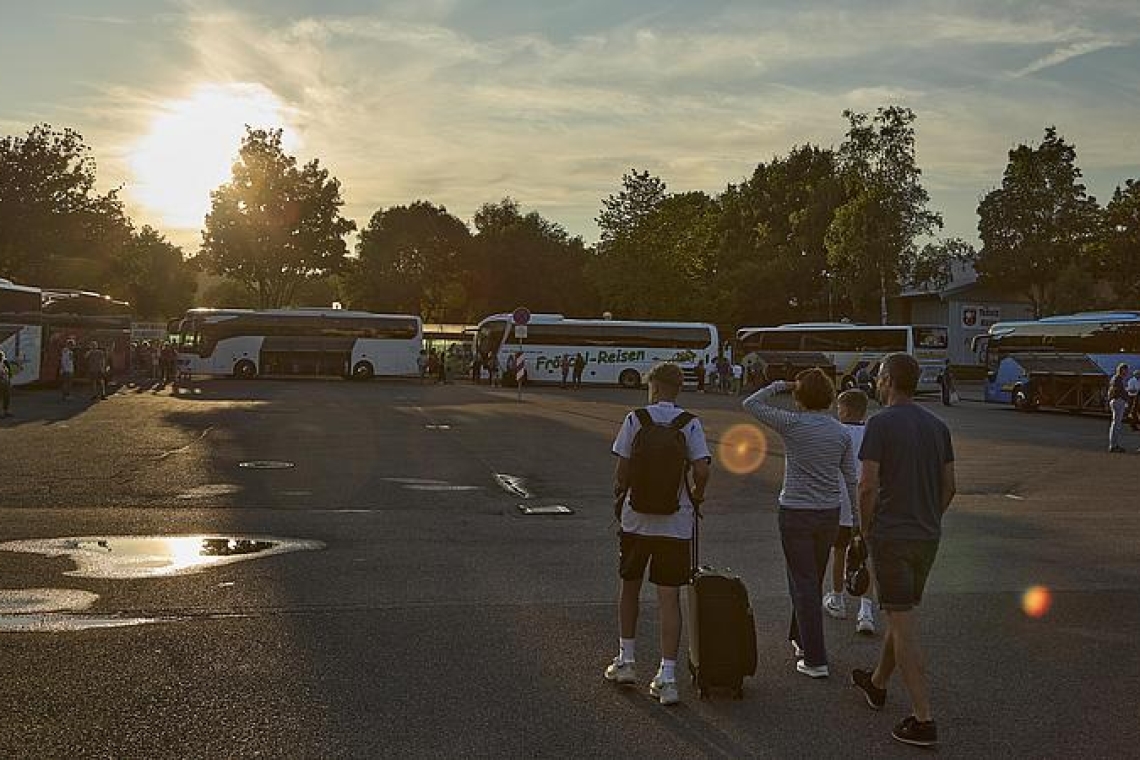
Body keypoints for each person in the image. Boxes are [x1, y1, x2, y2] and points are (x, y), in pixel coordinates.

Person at [851, 353, 955, 749]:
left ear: (891, 380)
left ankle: (923, 718)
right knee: (902, 613)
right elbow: (950, 486)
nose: (876, 383)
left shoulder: (879, 424)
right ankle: (877, 684)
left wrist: (865, 530)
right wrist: (930, 516)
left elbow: (867, 486)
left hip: (891, 535)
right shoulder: (938, 426)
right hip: (927, 535)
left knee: (904, 624)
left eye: (879, 376)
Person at [604, 362, 711, 706]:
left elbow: (622, 469)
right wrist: (696, 494)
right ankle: (667, 677)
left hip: (637, 520)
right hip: (675, 524)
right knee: (669, 598)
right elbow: (702, 469)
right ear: (679, 388)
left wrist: (622, 492)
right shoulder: (690, 423)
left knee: (630, 589)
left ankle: (627, 660)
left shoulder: (636, 419)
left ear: (652, 385)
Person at [743, 368, 857, 679]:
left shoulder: (793, 423)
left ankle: (816, 658)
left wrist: (781, 382)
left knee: (803, 580)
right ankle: (801, 639)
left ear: (799, 396)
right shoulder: (840, 432)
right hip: (829, 511)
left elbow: (751, 403)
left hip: (795, 510)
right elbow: (850, 479)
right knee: (810, 578)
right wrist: (857, 518)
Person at [823, 389, 876, 634]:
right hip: (868, 504)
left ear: (844, 409)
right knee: (866, 555)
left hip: (840, 503)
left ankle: (837, 598)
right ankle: (866, 611)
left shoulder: (836, 432)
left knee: (840, 551)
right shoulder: (873, 433)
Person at [1107, 363, 1129, 453]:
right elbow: (1120, 391)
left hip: (1115, 401)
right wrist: (1126, 399)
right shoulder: (1118, 379)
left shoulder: (1114, 378)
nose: (1127, 371)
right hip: (1118, 401)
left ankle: (1114, 445)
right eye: (1126, 370)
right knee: (1116, 424)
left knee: (1115, 424)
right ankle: (1114, 445)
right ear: (1122, 370)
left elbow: (1111, 390)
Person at [0, 350, 13, 417]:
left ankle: (6, 411)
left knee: (7, 396)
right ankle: (2, 412)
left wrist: (9, 376)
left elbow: (9, 370)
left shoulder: (4, 362)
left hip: (5, 380)